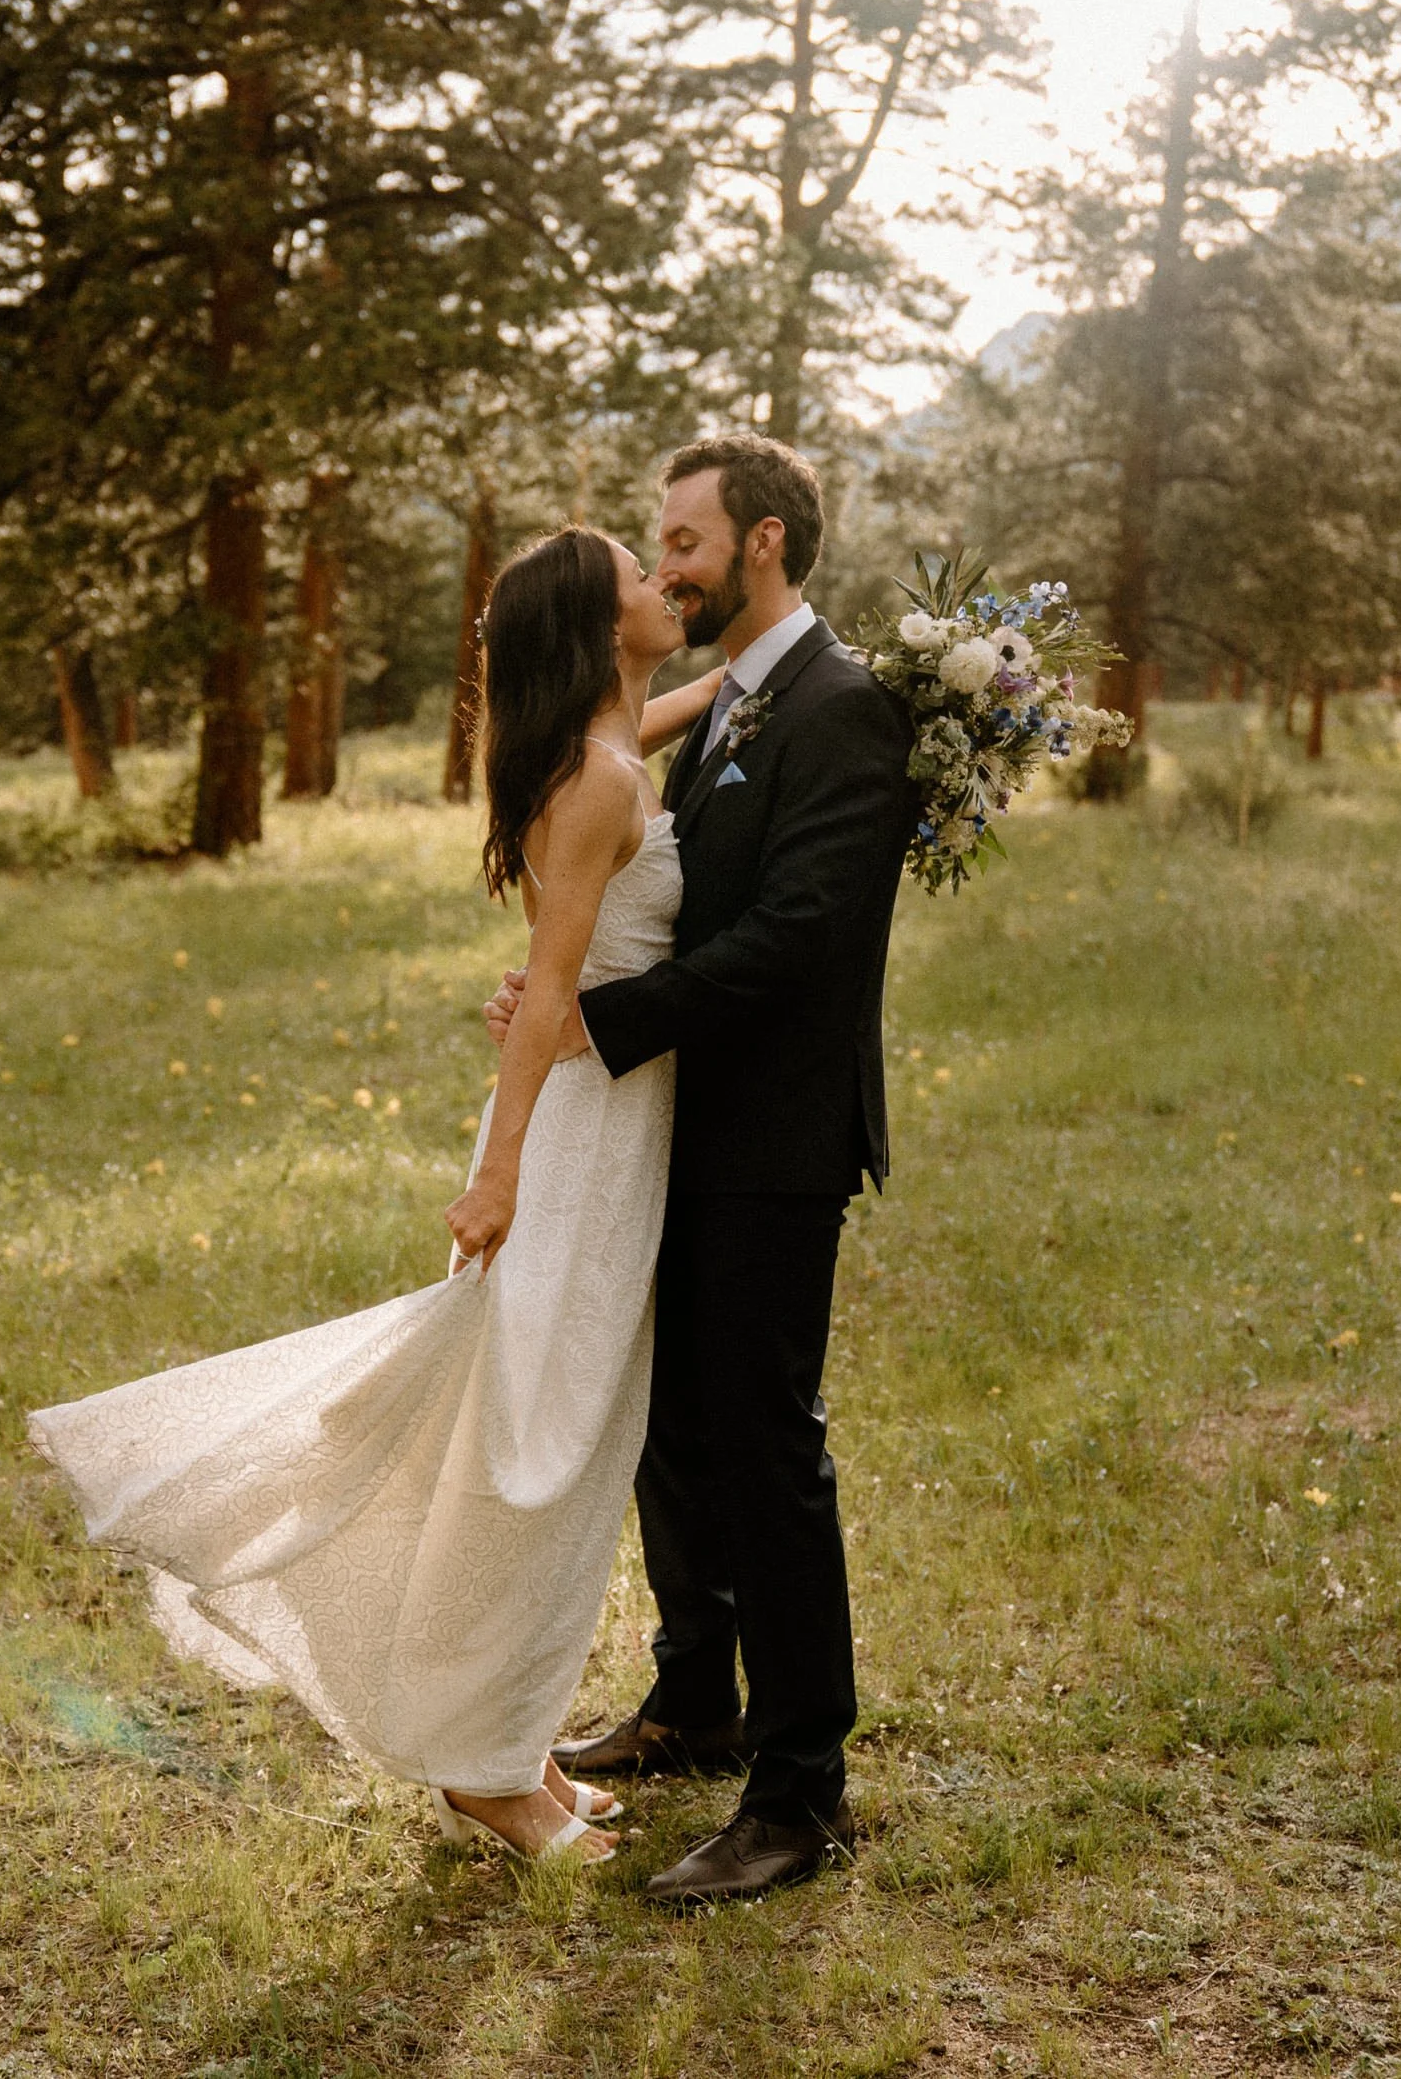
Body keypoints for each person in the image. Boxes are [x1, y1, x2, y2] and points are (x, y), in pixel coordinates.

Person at [30, 526, 717, 1865]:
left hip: (612, 1132)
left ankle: (505, 1738)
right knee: (533, 1453)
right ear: (598, 624)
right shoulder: (593, 781)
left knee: (551, 1440)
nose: (661, 582)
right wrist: (501, 1173)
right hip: (575, 1143)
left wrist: (759, 679)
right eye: (639, 572)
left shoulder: (601, 751)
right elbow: (551, 994)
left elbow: (665, 718)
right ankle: (486, 1774)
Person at [487, 434, 919, 1904]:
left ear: (764, 541)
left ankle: (799, 1794)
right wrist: (564, 987)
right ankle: (695, 1700)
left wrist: (594, 1023)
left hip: (774, 1138)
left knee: (764, 1453)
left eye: (682, 540)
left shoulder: (843, 708)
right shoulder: (731, 696)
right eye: (656, 546)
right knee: (673, 1431)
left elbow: (795, 937)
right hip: (678, 1121)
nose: (665, 565)